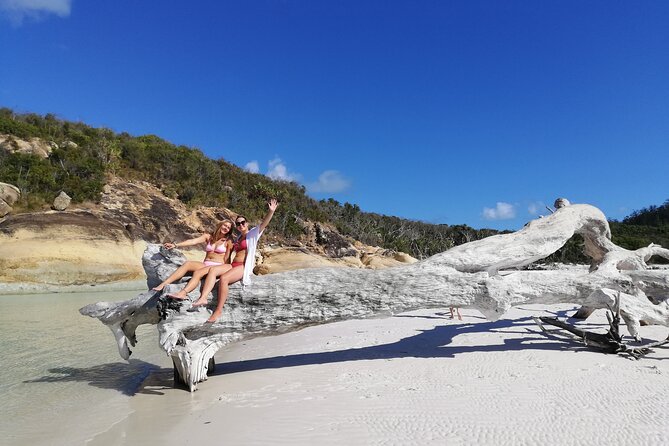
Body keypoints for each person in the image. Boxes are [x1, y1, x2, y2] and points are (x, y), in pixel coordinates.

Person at [190, 199, 278, 323]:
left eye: (243, 223)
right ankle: (203, 298)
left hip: (243, 266)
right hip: (233, 265)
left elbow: (264, 223)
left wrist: (271, 212)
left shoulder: (253, 233)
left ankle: (218, 310)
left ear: (247, 223)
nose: (240, 225)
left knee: (224, 279)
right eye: (238, 224)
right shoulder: (237, 238)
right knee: (213, 270)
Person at [152, 220, 234, 292]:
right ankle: (164, 284)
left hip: (217, 266)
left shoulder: (228, 241)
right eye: (225, 225)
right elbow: (193, 241)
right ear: (220, 225)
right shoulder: (208, 237)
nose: (226, 228)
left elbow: (227, 257)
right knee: (188, 264)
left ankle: (184, 292)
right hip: (205, 264)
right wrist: (175, 245)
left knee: (197, 273)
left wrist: (226, 271)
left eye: (228, 228)